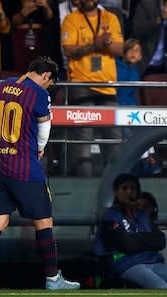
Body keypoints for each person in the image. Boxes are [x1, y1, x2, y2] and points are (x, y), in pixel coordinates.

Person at [0, 56, 80, 290]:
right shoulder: (39, 94)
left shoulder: (1, 86)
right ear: (46, 76)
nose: (47, 87)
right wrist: (40, 148)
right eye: (49, 83)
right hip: (24, 167)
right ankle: (53, 279)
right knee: (43, 221)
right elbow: (45, 125)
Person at [93, 173, 167, 289]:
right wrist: (146, 241)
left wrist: (134, 237)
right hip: (126, 264)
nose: (129, 192)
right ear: (116, 192)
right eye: (124, 188)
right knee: (161, 287)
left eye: (133, 188)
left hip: (152, 261)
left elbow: (160, 241)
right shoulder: (110, 217)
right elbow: (128, 245)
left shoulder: (143, 215)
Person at [61, 0, 124, 177]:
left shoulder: (110, 18)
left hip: (107, 86)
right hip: (81, 85)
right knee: (82, 139)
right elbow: (68, 50)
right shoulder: (71, 19)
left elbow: (120, 48)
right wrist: (96, 44)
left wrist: (107, 41)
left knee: (113, 140)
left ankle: (116, 187)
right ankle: (83, 188)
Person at [129, 0, 167, 76]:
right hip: (143, 64)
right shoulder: (145, 4)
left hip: (165, 65)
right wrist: (159, 18)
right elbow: (136, 31)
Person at [10, 0, 56, 73]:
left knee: (39, 66)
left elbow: (49, 17)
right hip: (21, 35)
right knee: (21, 65)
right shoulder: (16, 3)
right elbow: (14, 21)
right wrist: (24, 12)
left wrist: (46, 6)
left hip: (39, 35)